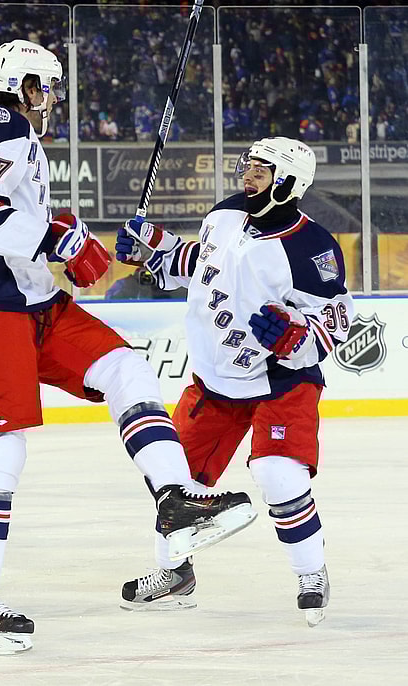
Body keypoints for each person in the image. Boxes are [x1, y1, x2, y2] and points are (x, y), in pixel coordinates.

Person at [0, 40, 256, 654]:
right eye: (45, 86)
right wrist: (62, 240)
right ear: (21, 84)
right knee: (0, 444)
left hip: (31, 303)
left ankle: (176, 501)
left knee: (124, 368)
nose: (51, 99)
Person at [114, 136, 351, 626]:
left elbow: (337, 318)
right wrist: (153, 253)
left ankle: (311, 574)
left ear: (289, 182)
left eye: (262, 170)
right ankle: (175, 573)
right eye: (249, 165)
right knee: (172, 479)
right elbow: (201, 264)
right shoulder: (224, 214)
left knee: (277, 474)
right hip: (214, 381)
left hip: (280, 382)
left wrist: (296, 336)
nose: (248, 174)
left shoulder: (313, 248)